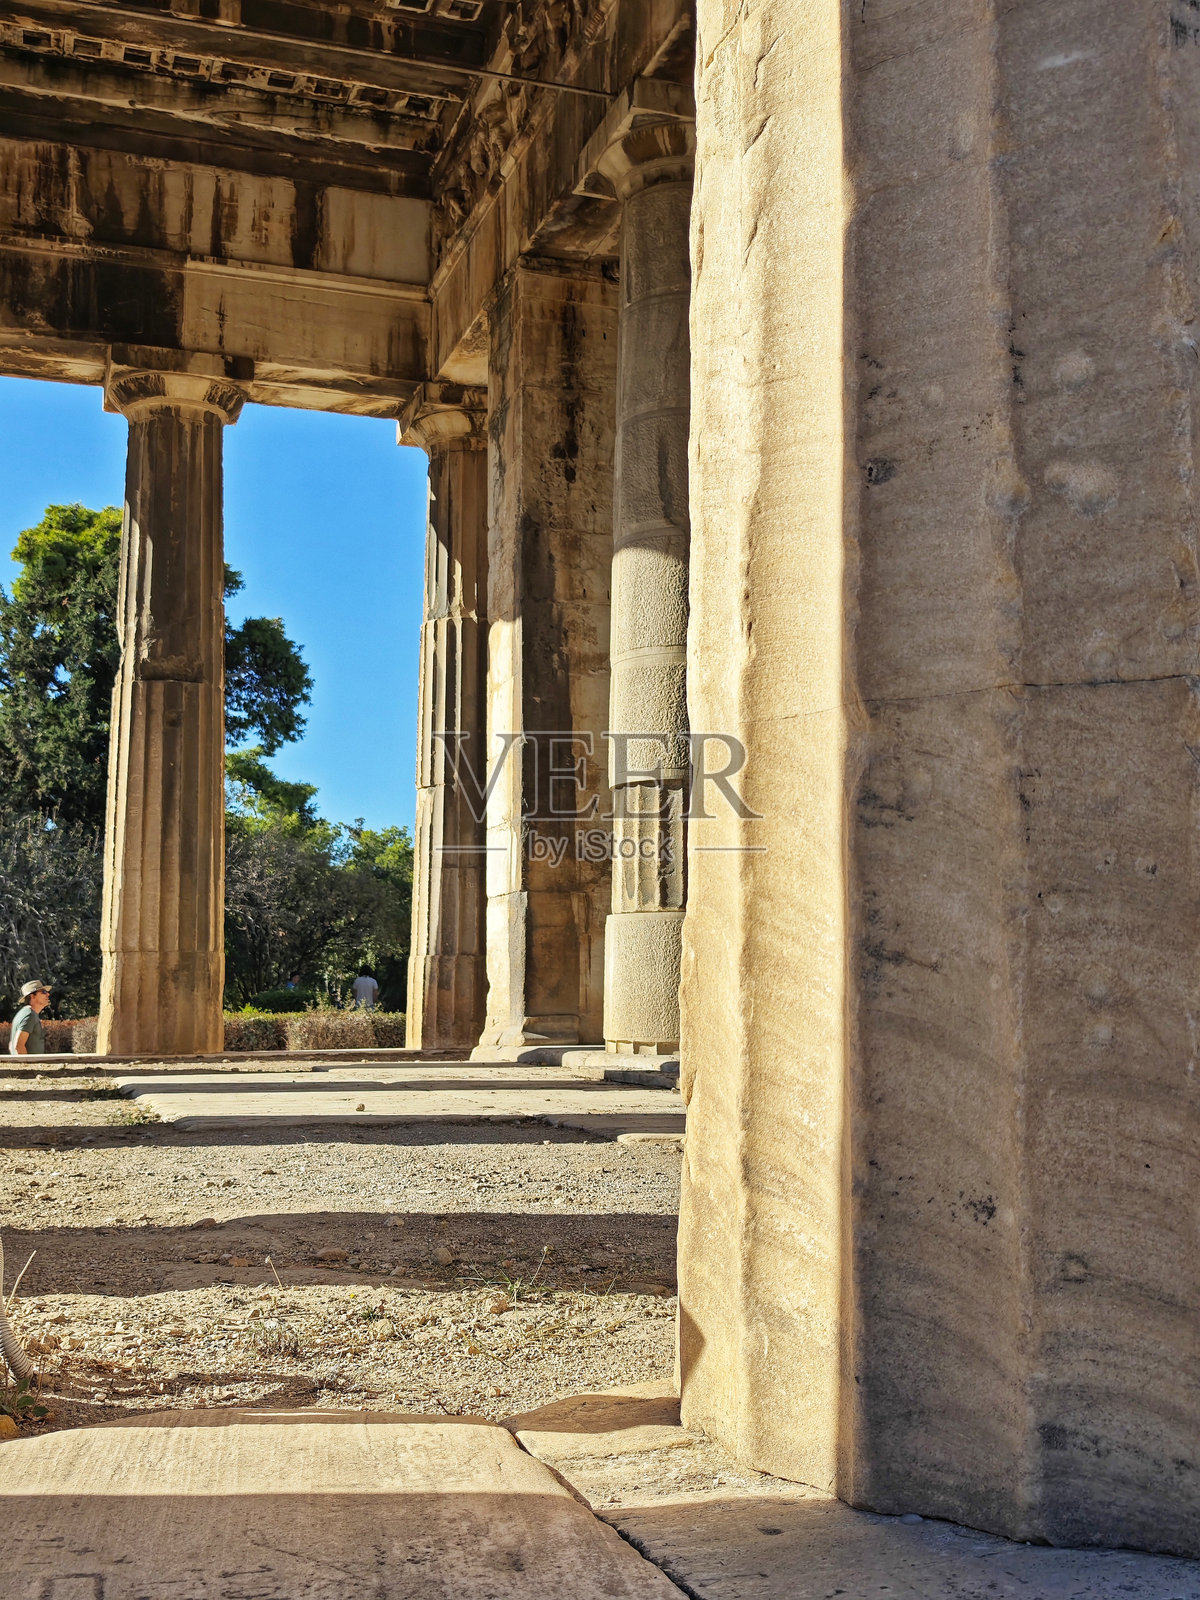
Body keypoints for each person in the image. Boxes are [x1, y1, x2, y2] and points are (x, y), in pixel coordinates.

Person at [9, 980, 51, 1056]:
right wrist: (27, 1066)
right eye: (43, 992)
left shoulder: (27, 1013)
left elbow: (11, 1044)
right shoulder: (29, 1015)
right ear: (32, 996)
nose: (48, 994)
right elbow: (18, 1045)